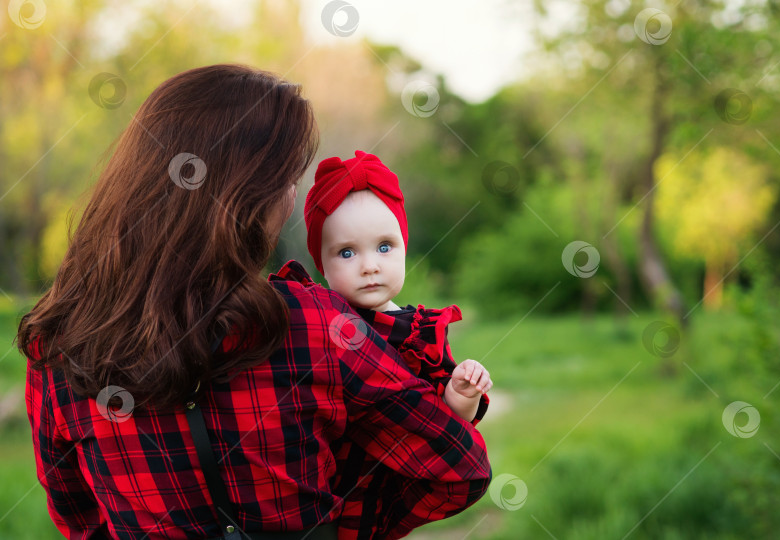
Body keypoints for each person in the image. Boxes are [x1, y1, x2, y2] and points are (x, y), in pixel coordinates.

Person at [17, 64, 491, 540]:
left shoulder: (59, 343)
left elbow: (77, 517)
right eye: (286, 181)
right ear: (246, 196)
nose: (289, 199)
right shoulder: (312, 325)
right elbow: (457, 467)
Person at [287, 150, 492, 538]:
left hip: (385, 487)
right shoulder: (315, 324)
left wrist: (461, 389)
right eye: (347, 252)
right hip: (322, 487)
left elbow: (451, 422)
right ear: (322, 266)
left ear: (403, 246)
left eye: (384, 247)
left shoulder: (419, 332)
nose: (370, 265)